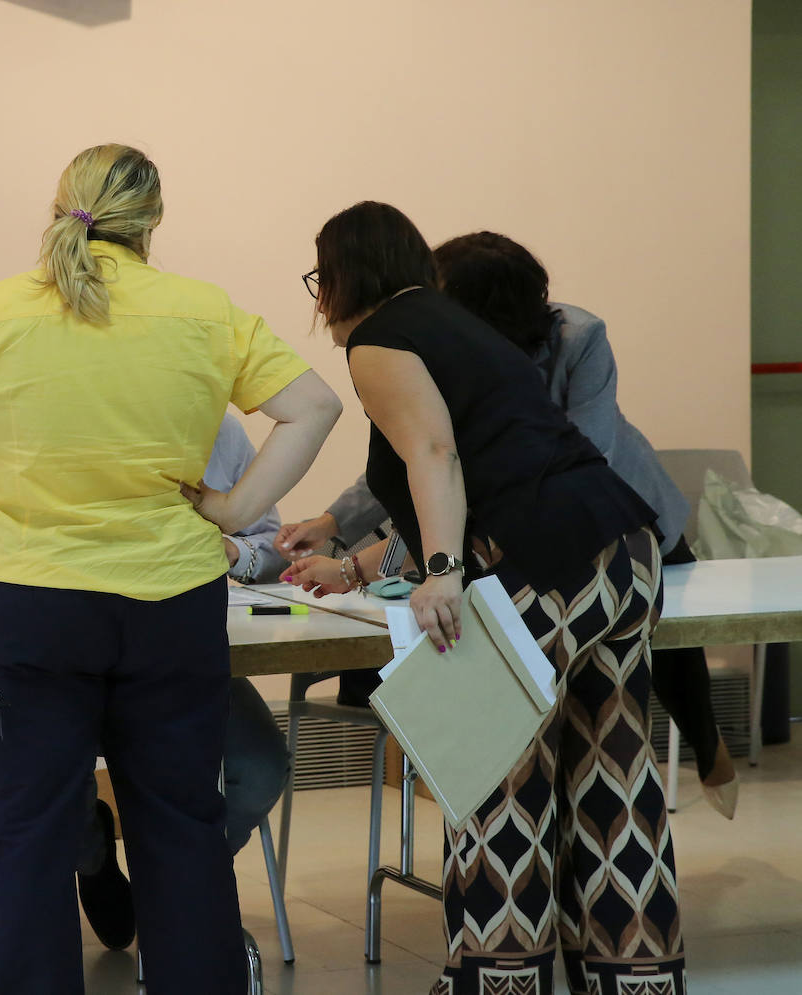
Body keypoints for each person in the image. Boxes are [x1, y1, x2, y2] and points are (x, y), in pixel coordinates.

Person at [0, 144, 340, 994]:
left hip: (27, 603)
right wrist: (233, 508)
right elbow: (315, 405)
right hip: (169, 602)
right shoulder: (203, 310)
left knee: (30, 838)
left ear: (60, 205)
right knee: (181, 826)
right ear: (154, 223)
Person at [281, 202, 685, 995]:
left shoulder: (378, 340)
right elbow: (469, 470)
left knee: (499, 781)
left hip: (538, 565)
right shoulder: (448, 324)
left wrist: (439, 572)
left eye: (318, 280)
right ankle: (637, 978)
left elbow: (436, 455)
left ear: (339, 278)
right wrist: (360, 565)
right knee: (616, 781)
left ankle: (502, 979)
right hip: (621, 552)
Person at [278, 230, 738, 815]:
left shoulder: (573, 338)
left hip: (606, 517)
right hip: (544, 540)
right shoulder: (446, 349)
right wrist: (338, 530)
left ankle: (707, 749)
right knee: (597, 753)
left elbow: (468, 472)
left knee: (627, 704)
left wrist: (394, 566)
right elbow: (421, 469)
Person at [0, 414, 294, 951]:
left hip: (174, 644)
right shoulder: (52, 406)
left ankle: (173, 887)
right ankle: (94, 853)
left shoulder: (217, 426)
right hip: (59, 646)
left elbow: (269, 548)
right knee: (28, 774)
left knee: (260, 766)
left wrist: (232, 552)